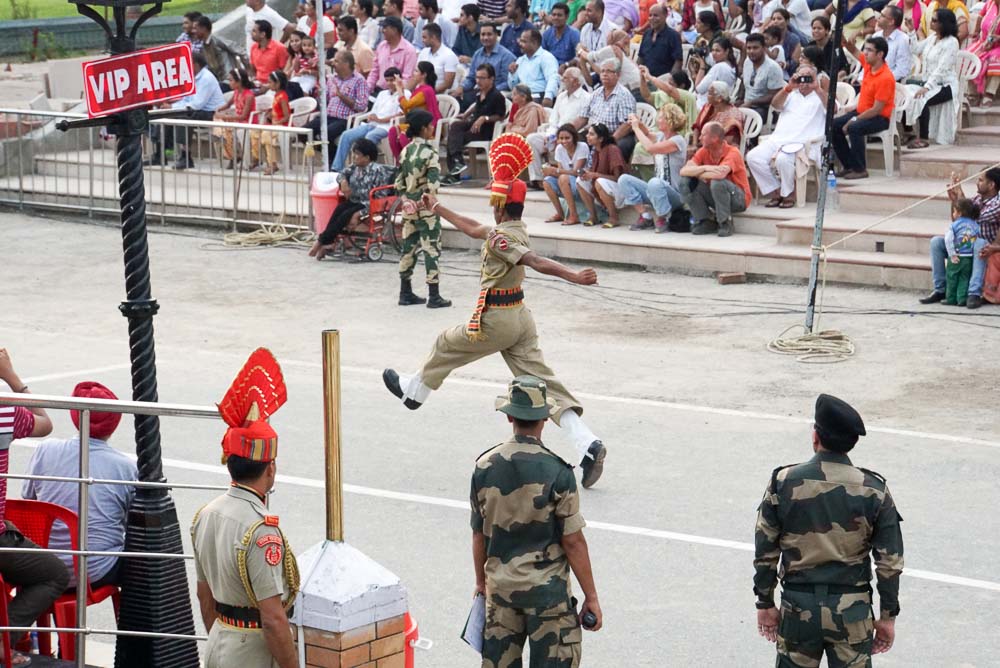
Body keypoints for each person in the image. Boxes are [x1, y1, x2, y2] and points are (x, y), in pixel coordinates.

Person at [383, 133, 609, 488]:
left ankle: (415, 392)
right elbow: (475, 229)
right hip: (520, 317)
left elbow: (533, 260)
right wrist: (437, 207)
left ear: (501, 204)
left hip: (498, 318)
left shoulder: (504, 238)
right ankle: (588, 445)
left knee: (446, 343)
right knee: (546, 386)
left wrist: (573, 276)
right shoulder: (511, 228)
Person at [754, 394, 903, 667]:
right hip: (853, 613)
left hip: (798, 610)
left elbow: (766, 549)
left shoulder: (783, 482)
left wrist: (765, 604)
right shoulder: (874, 490)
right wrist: (887, 617)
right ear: (852, 443)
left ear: (815, 436)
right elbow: (889, 563)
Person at [471, 375, 603, 666]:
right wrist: (591, 597)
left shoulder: (484, 467)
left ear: (509, 417)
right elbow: (573, 541)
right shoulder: (558, 473)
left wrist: (481, 584)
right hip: (548, 598)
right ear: (544, 418)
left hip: (502, 595)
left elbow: (478, 535)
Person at [192, 349, 299, 668]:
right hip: (252, 653)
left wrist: (224, 639)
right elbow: (273, 620)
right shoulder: (261, 529)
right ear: (271, 469)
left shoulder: (205, 514)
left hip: (219, 641)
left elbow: (204, 596)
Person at [23, 381, 137, 589]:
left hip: (42, 567)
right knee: (146, 561)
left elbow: (29, 501)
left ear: (76, 417)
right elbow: (133, 523)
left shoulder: (46, 450)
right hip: (96, 571)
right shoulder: (126, 467)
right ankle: (131, 621)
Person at [0, 349, 66, 668]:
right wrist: (13, 379)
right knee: (53, 573)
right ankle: (2, 641)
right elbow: (45, 423)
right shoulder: (5, 414)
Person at [394, 110, 452, 308]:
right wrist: (421, 203)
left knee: (408, 248)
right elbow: (433, 186)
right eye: (430, 125)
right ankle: (434, 296)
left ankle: (405, 292)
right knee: (431, 249)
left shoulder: (406, 150)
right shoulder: (430, 152)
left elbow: (398, 183)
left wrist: (407, 202)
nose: (433, 128)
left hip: (409, 209)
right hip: (427, 211)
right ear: (424, 128)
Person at [746, 65, 826, 208]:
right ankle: (775, 191)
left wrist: (817, 88)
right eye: (801, 76)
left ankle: (789, 194)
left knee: (783, 159)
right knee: (753, 157)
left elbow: (835, 110)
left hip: (802, 144)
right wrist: (788, 88)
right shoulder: (790, 94)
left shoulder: (820, 96)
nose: (804, 80)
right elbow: (775, 105)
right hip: (778, 140)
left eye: (808, 76)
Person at [921, 168, 1000, 309]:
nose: (977, 183)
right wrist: (955, 200)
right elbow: (957, 220)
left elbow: (972, 217)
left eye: (980, 180)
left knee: (979, 243)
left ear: (991, 185)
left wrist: (960, 195)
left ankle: (973, 293)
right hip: (963, 246)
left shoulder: (997, 204)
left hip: (983, 250)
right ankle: (941, 289)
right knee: (936, 242)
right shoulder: (976, 199)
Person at [309, 140, 397, 259]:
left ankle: (322, 241)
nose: (354, 157)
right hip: (356, 200)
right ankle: (327, 241)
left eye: (357, 154)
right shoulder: (355, 167)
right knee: (339, 209)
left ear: (367, 157)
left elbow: (380, 198)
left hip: (369, 203)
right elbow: (341, 174)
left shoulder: (378, 172)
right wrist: (343, 182)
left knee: (346, 215)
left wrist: (359, 214)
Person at [616, 103, 689, 232]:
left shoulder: (678, 140)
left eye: (661, 118)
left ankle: (662, 218)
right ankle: (645, 216)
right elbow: (647, 133)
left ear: (670, 121)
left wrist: (635, 129)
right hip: (656, 190)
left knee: (654, 182)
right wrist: (638, 122)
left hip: (675, 194)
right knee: (624, 179)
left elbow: (650, 148)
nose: (658, 120)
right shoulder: (661, 136)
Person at [831, 36, 895, 180]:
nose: (865, 53)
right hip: (862, 112)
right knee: (834, 125)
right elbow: (854, 51)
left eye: (869, 50)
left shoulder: (885, 77)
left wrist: (854, 119)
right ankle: (849, 166)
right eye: (865, 49)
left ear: (880, 54)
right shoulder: (868, 66)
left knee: (854, 127)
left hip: (879, 117)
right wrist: (846, 43)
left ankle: (860, 169)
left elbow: (877, 110)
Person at [680, 121, 751, 236]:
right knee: (686, 182)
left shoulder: (733, 152)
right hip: (718, 196)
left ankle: (725, 222)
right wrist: (705, 168)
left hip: (739, 199)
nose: (699, 138)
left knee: (717, 182)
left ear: (714, 138)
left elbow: (720, 175)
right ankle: (705, 221)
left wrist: (697, 172)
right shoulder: (704, 150)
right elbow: (683, 171)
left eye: (703, 135)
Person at [903, 8, 960, 148]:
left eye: (934, 20)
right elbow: (916, 50)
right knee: (903, 93)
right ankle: (908, 132)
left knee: (922, 99)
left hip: (945, 85)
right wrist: (911, 31)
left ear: (943, 23)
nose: (931, 22)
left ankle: (924, 138)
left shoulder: (952, 42)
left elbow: (942, 69)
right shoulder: (932, 38)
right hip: (928, 81)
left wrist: (926, 87)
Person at [159, 52, 225, 170]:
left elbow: (197, 104)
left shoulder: (206, 78)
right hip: (197, 110)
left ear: (195, 65)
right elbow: (186, 99)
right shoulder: (191, 77)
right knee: (165, 115)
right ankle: (162, 153)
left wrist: (173, 108)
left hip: (211, 113)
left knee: (183, 118)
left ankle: (186, 156)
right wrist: (170, 107)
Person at [443, 63, 507, 181]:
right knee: (455, 126)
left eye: (482, 78)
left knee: (454, 137)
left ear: (491, 79)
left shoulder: (497, 96)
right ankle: (457, 163)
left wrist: (485, 118)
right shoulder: (479, 92)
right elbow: (476, 105)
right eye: (477, 77)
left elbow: (501, 116)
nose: (478, 81)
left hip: (486, 130)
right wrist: (466, 114)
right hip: (474, 125)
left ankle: (455, 172)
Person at [333, 67, 405, 171]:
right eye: (387, 80)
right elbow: (374, 111)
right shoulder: (382, 94)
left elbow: (399, 115)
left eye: (392, 80)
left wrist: (380, 120)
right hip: (372, 124)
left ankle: (359, 169)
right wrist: (370, 116)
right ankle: (337, 168)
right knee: (346, 135)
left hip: (387, 127)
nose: (389, 83)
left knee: (369, 138)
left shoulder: (405, 93)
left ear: (398, 79)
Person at [526, 67, 590, 182]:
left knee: (564, 140)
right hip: (555, 133)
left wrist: (560, 137)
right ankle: (537, 179)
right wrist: (550, 136)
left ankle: (563, 177)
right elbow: (553, 120)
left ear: (576, 81)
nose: (562, 80)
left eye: (565, 78)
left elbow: (582, 122)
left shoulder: (586, 98)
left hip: (574, 135)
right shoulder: (561, 96)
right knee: (532, 139)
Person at [309, 50, 369, 167]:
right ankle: (333, 155)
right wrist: (320, 93)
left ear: (346, 64)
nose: (333, 63)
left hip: (345, 119)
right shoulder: (332, 78)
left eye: (336, 61)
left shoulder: (359, 80)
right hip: (328, 116)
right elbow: (324, 99)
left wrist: (342, 96)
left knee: (326, 134)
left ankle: (333, 163)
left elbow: (362, 106)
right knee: (304, 132)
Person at [576, 58, 637, 160]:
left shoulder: (624, 95)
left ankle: (609, 175)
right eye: (602, 71)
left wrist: (610, 140)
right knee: (571, 139)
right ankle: (577, 172)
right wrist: (568, 131)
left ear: (617, 75)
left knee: (615, 148)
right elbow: (582, 118)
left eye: (609, 71)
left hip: (615, 134)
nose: (604, 74)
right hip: (594, 133)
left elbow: (627, 125)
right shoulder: (596, 93)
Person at [449, 22, 516, 108]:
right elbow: (471, 78)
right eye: (483, 34)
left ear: (496, 35)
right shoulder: (477, 54)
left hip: (496, 93)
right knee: (455, 99)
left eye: (489, 34)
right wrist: (461, 87)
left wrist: (489, 91)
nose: (485, 38)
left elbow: (507, 82)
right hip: (478, 91)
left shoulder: (506, 56)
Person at [389, 61, 441, 161]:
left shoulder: (426, 90)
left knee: (404, 135)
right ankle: (400, 163)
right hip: (415, 124)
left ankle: (412, 163)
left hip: (425, 127)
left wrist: (399, 88)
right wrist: (401, 88)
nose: (414, 73)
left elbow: (407, 104)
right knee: (392, 131)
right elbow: (408, 111)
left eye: (416, 71)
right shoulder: (418, 89)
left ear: (424, 75)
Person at [577, 123, 627, 226]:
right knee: (580, 180)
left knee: (599, 181)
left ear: (600, 139)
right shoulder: (596, 151)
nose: (587, 136)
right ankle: (593, 216)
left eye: (591, 134)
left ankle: (613, 217)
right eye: (588, 134)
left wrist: (595, 175)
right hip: (605, 187)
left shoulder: (612, 149)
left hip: (620, 190)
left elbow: (618, 178)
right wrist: (588, 174)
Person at [541, 123, 591, 224]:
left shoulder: (582, 146)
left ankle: (573, 215)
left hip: (582, 183)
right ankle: (560, 214)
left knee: (563, 178)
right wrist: (550, 172)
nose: (564, 141)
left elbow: (577, 172)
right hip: (566, 182)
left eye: (567, 138)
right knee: (547, 182)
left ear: (574, 137)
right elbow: (560, 171)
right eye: (561, 138)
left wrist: (556, 171)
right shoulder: (559, 149)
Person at [250, 70, 292, 175]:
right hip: (274, 124)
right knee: (253, 132)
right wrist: (270, 113)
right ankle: (256, 158)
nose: (268, 85)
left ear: (277, 83)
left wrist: (276, 123)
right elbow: (276, 111)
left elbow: (287, 117)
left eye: (270, 82)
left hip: (282, 125)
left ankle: (272, 164)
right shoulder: (276, 95)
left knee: (266, 135)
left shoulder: (283, 97)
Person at [942, 198, 982, 306]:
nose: (953, 214)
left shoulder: (954, 225)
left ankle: (950, 298)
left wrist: (952, 254)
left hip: (957, 256)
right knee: (964, 279)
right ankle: (962, 299)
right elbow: (978, 238)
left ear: (959, 213)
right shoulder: (975, 225)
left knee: (952, 278)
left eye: (954, 211)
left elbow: (948, 239)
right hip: (968, 257)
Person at [214, 69, 257, 169]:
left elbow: (243, 116)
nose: (229, 83)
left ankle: (237, 157)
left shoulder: (249, 96)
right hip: (237, 121)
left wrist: (225, 117)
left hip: (247, 123)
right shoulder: (236, 92)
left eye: (231, 80)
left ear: (239, 81)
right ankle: (233, 156)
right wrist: (218, 110)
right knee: (220, 130)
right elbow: (228, 105)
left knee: (225, 130)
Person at [509, 28, 561, 105]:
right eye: (520, 40)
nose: (520, 44)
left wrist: (548, 97)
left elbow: (553, 79)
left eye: (524, 41)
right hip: (521, 95)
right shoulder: (520, 60)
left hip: (539, 95)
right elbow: (512, 86)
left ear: (534, 43)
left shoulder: (546, 57)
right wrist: (512, 74)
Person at [739, 33, 785, 119]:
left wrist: (751, 103)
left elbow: (774, 95)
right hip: (746, 103)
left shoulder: (773, 67)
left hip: (764, 108)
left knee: (747, 119)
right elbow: (743, 82)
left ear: (764, 48)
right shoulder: (747, 62)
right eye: (749, 48)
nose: (751, 51)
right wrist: (739, 99)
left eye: (755, 48)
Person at [368, 16, 418, 92]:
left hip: (398, 93)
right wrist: (367, 90)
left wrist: (395, 93)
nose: (382, 31)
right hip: (379, 91)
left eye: (385, 28)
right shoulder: (381, 46)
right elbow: (374, 71)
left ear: (394, 30)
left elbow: (407, 78)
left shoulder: (409, 50)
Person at [639, 67, 697, 132]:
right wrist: (642, 79)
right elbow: (647, 97)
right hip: (658, 130)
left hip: (675, 133)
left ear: (682, 86)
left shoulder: (687, 96)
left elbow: (670, 90)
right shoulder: (663, 93)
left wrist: (650, 77)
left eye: (671, 84)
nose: (667, 85)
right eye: (668, 82)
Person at [195, 15, 246, 85]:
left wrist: (248, 70)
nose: (194, 31)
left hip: (229, 80)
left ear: (203, 28)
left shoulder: (216, 40)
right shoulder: (203, 46)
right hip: (219, 81)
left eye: (196, 29)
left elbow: (239, 50)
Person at [691, 81, 743, 148]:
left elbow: (729, 140)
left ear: (719, 98)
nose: (707, 96)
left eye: (710, 94)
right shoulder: (707, 107)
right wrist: (694, 144)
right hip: (703, 145)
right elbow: (697, 126)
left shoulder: (733, 115)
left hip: (721, 149)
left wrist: (705, 146)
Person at [968, 0, 1000, 107]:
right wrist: (977, 33)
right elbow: (980, 17)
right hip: (985, 41)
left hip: (998, 45)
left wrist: (997, 38)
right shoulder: (990, 3)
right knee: (970, 55)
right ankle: (972, 93)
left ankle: (989, 94)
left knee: (995, 58)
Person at [638, 4, 683, 78]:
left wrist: (670, 81)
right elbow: (641, 57)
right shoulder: (647, 34)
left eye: (656, 15)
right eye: (650, 15)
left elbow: (678, 62)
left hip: (662, 80)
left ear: (665, 16)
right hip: (645, 78)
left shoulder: (673, 36)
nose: (652, 18)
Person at [693, 37, 738, 109]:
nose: (714, 53)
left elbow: (698, 89)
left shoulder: (719, 67)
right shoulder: (731, 66)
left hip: (704, 106)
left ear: (726, 51)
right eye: (712, 50)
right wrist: (704, 49)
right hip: (716, 105)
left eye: (717, 51)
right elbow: (709, 58)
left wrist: (702, 66)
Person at [415, 22, 460, 92]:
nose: (422, 40)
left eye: (424, 37)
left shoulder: (449, 56)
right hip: (423, 93)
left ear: (433, 37)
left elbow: (448, 84)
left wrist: (428, 93)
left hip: (442, 96)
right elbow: (416, 76)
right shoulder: (423, 52)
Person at [872, 5, 912, 82]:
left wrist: (881, 80)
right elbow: (868, 63)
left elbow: (902, 70)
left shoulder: (903, 39)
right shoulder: (876, 36)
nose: (878, 18)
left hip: (889, 83)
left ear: (891, 22)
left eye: (882, 16)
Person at [249, 20, 290, 88]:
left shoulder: (279, 48)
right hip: (258, 84)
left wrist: (268, 86)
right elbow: (253, 68)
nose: (251, 33)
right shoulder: (253, 47)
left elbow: (284, 72)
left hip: (274, 85)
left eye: (254, 31)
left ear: (263, 34)